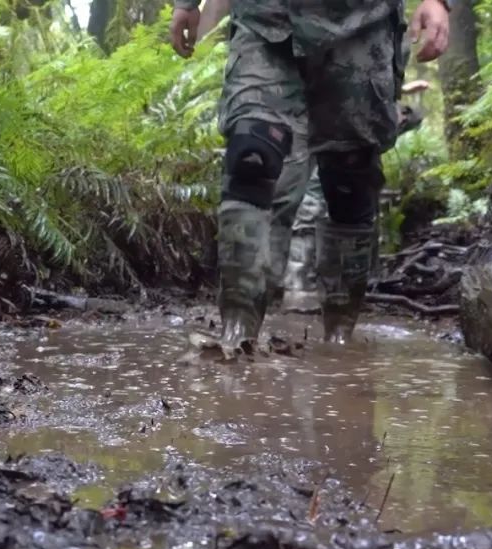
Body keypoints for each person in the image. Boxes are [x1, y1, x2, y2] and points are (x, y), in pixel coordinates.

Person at [172, 0, 450, 348]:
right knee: (252, 155)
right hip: (267, 22)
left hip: (364, 28)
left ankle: (340, 337)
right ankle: (237, 334)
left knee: (350, 182)